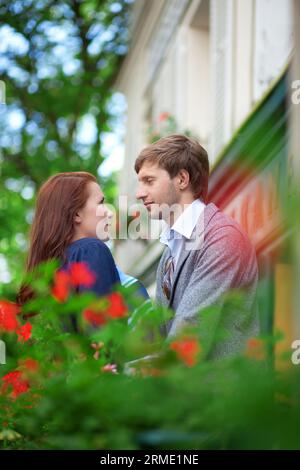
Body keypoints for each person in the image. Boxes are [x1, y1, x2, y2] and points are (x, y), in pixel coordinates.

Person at [135, 134, 259, 359]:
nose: (139, 193)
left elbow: (187, 339)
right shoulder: (169, 251)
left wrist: (118, 375)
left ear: (182, 179)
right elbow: (163, 337)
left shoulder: (222, 237)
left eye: (149, 181)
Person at [17, 172, 148, 310]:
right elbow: (102, 327)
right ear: (76, 214)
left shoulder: (57, 268)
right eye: (101, 202)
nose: (109, 213)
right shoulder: (91, 249)